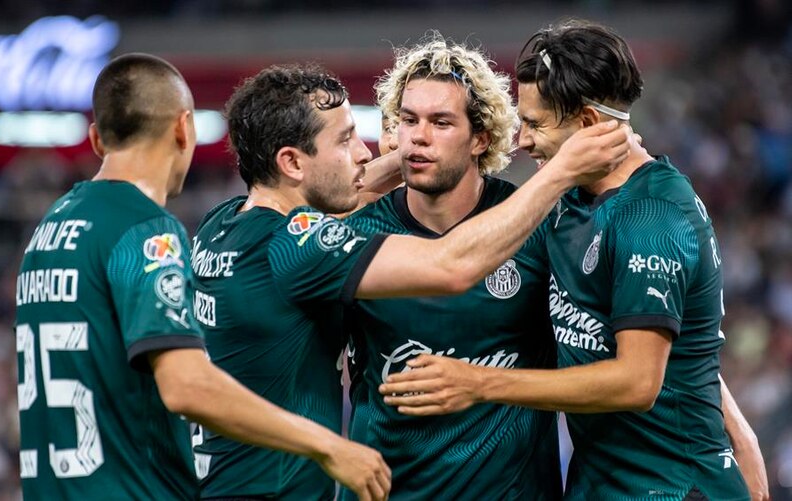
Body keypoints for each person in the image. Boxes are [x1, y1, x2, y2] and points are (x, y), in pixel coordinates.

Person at [190, 62, 631, 499]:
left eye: (440, 122)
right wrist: (561, 172)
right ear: (291, 162)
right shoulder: (305, 244)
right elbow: (451, 265)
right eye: (346, 140)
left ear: (480, 138)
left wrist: (412, 154)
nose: (367, 153)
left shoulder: (221, 223)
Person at [378, 20, 768, 501]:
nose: (521, 141)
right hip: (597, 484)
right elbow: (677, 335)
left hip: (673, 487)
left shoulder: (653, 217)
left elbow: (637, 380)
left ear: (587, 124)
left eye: (537, 124)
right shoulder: (568, 203)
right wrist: (400, 157)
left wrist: (479, 383)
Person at [14, 53, 392, 501]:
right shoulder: (146, 233)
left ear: (97, 139)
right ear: (184, 128)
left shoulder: (52, 229)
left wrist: (404, 162)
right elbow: (187, 386)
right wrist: (328, 445)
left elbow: (332, 195)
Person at [340, 35, 560, 500]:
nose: (418, 137)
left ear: (481, 138)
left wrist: (728, 420)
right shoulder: (353, 232)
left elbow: (620, 330)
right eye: (408, 120)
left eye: (441, 122)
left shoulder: (536, 224)